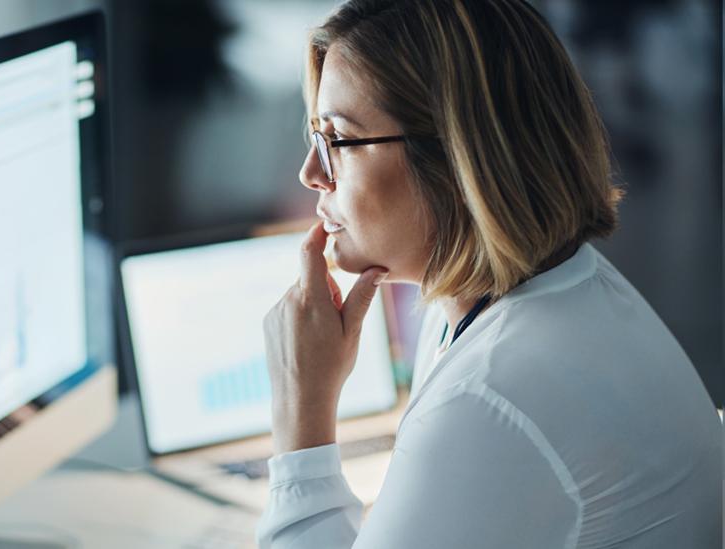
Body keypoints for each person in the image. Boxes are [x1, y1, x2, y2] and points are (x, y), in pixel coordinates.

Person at [257, 1, 723, 547]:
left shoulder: (489, 395)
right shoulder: (550, 291)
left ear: (457, 159)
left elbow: (482, 426)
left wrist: (302, 412)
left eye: (337, 139)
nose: (310, 173)